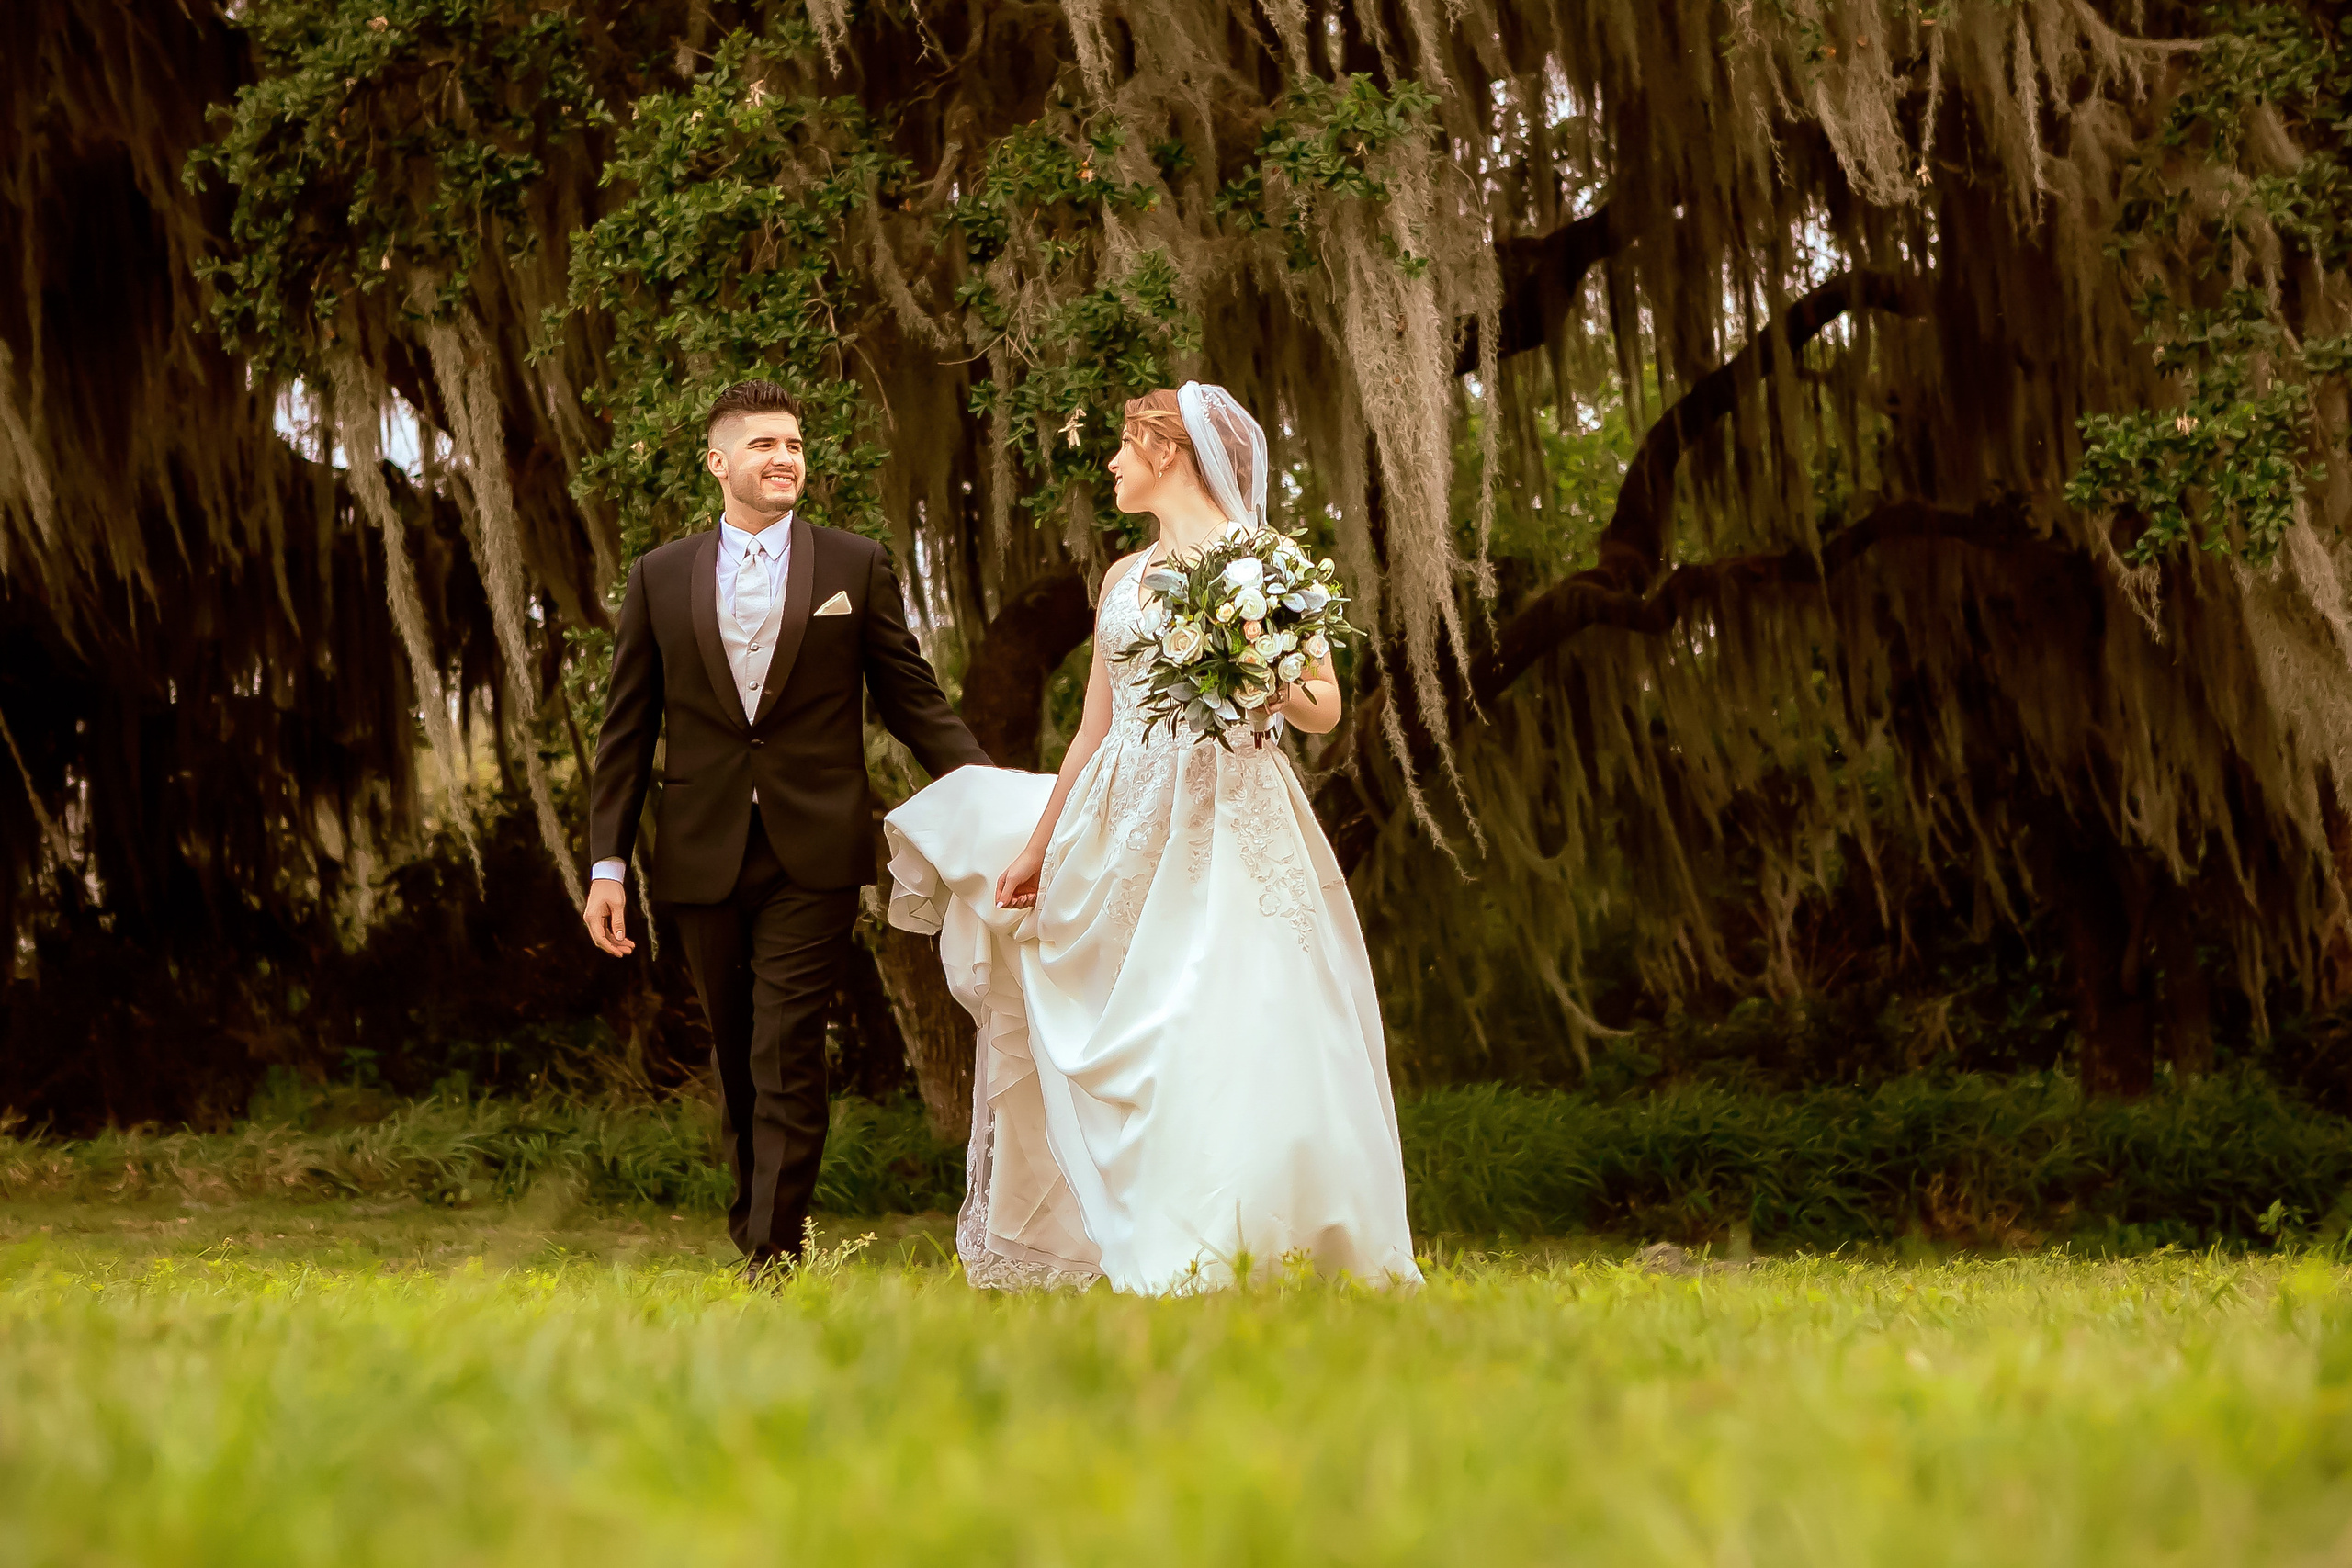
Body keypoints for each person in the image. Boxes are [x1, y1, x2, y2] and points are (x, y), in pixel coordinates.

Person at [882, 382, 1420, 1293]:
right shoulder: (1122, 580)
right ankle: (1136, 1231)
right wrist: (1037, 847)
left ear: (1167, 450)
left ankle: (1243, 1239)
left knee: (1224, 1016)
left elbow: (1322, 709)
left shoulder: (1264, 561)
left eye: (1123, 449)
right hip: (1123, 818)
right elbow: (1093, 730)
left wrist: (1252, 663)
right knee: (1127, 1021)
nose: (1112, 466)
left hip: (1230, 810)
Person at [581, 379, 991, 1280]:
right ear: (719, 463)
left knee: (786, 1045)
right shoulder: (658, 576)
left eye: (795, 445)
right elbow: (625, 730)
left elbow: (913, 701)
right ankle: (755, 1224)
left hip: (815, 847)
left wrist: (994, 800)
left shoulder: (854, 564)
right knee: (736, 1054)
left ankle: (772, 1252)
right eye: (764, 445)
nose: (784, 459)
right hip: (700, 845)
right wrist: (606, 864)